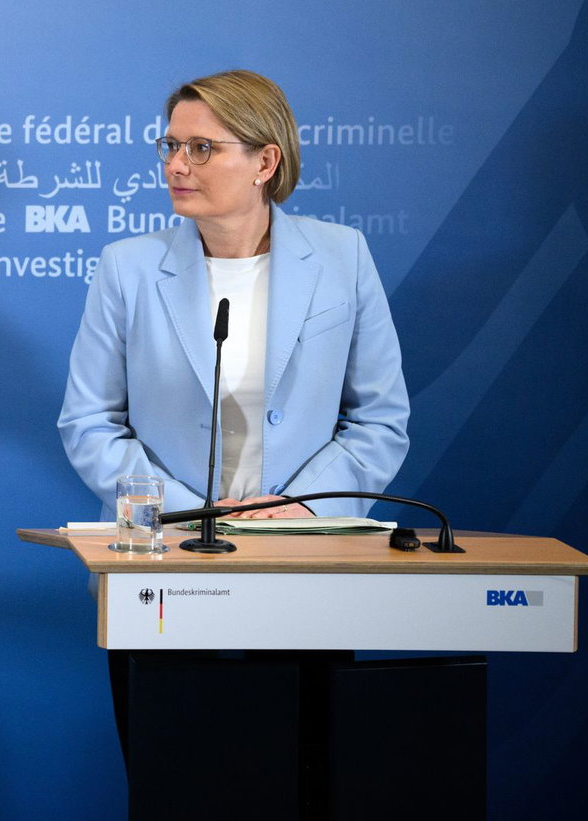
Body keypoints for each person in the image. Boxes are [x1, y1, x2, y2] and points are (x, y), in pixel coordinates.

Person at [59, 69, 409, 522]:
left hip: (302, 540)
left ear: (265, 163)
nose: (176, 165)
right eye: (171, 146)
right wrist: (187, 513)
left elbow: (378, 420)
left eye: (201, 148)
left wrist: (304, 505)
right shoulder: (127, 267)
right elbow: (89, 424)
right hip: (167, 538)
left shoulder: (344, 257)